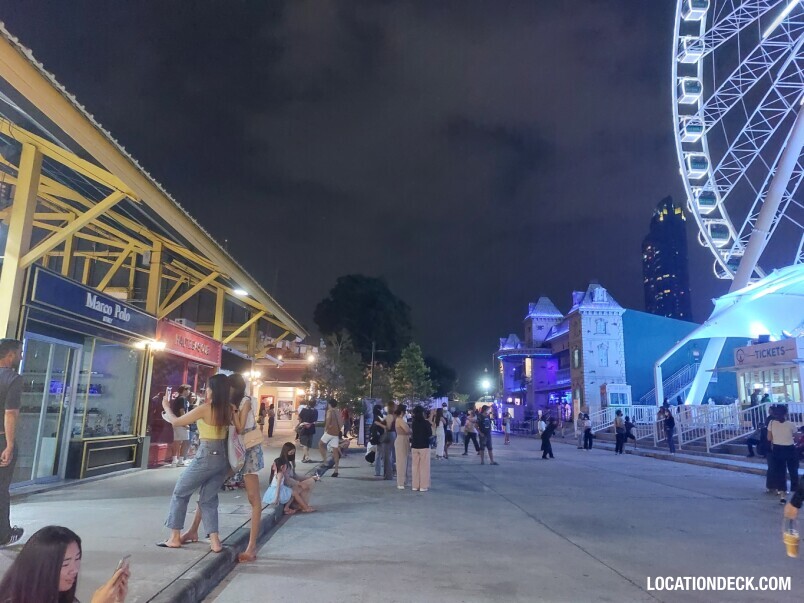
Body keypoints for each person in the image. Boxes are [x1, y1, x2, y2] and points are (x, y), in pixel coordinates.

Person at [159, 373, 231, 552]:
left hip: (206, 454)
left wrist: (166, 406)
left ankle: (175, 536)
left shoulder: (205, 408)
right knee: (208, 499)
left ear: (212, 390)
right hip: (224, 457)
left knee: (180, 492)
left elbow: (176, 422)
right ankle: (215, 542)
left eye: (208, 387)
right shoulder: (230, 409)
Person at [0, 525, 130, 603]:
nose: (74, 569)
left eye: (77, 559)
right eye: (65, 564)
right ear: (42, 568)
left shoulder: (59, 596)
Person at [228, 374, 265, 563]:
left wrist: (233, 411)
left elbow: (241, 428)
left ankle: (251, 547)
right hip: (238, 450)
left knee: (253, 498)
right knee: (210, 486)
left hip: (248, 450)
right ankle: (194, 530)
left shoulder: (245, 401)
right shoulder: (237, 402)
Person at [0, 339, 23, 548]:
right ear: (10, 355)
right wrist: (9, 444)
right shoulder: (12, 379)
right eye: (19, 352)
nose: (21, 356)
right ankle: (3, 535)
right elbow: (10, 413)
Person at [768, 407, 798, 504]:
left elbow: (769, 438)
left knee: (780, 472)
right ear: (786, 414)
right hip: (790, 449)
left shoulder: (771, 423)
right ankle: (795, 492)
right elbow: (796, 437)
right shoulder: (791, 424)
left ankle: (782, 495)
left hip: (777, 449)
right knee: (793, 471)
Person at [279, 442, 319, 509]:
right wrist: (299, 483)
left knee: (310, 480)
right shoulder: (283, 463)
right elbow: (286, 479)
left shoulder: (289, 463)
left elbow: (295, 476)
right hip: (286, 486)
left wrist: (309, 477)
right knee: (309, 483)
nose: (292, 455)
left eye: (293, 453)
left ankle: (302, 504)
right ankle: (301, 505)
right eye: (291, 453)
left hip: (291, 484)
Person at [318, 399, 343, 477]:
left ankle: (325, 461)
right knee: (335, 451)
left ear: (330, 404)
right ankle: (336, 470)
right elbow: (341, 422)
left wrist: (326, 427)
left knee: (320, 444)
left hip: (329, 432)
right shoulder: (338, 412)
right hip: (336, 433)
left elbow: (328, 419)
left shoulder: (330, 411)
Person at [410, 406, 433, 492]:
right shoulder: (426, 423)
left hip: (415, 446)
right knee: (424, 467)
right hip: (424, 446)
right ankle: (423, 486)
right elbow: (430, 433)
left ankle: (415, 485)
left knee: (415, 466)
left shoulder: (414, 423)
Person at [170, 384, 192, 467]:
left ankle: (174, 460)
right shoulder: (182, 399)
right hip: (181, 423)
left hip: (176, 422)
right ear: (184, 390)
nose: (189, 391)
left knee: (177, 441)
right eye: (188, 390)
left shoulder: (178, 398)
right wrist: (185, 423)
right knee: (185, 441)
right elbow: (182, 410)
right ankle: (180, 460)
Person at [394, 404, 411, 489]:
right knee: (401, 462)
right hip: (401, 439)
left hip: (404, 439)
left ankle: (404, 481)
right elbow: (407, 430)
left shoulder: (400, 419)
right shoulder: (399, 420)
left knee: (405, 461)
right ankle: (400, 482)